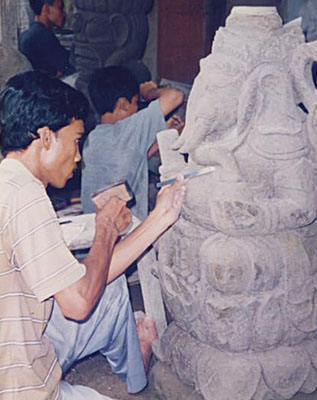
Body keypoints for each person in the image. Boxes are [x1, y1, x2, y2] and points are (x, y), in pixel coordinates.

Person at [0, 70, 186, 400]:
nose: (77, 156)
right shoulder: (25, 195)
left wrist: (161, 217)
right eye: (74, 141)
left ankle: (134, 367)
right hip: (20, 387)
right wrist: (105, 229)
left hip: (22, 346)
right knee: (94, 290)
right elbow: (79, 303)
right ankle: (134, 369)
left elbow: (87, 281)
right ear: (45, 138)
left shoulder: (8, 181)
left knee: (108, 285)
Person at [81, 65, 184, 221]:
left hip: (94, 226)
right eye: (136, 102)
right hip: (125, 230)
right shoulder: (127, 128)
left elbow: (133, 160)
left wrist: (166, 132)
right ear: (123, 104)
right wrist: (149, 93)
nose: (137, 109)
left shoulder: (95, 138)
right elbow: (175, 96)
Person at [19, 0, 74, 78]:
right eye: (60, 8)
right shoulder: (42, 35)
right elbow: (67, 65)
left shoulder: (25, 34)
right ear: (46, 8)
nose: (64, 14)